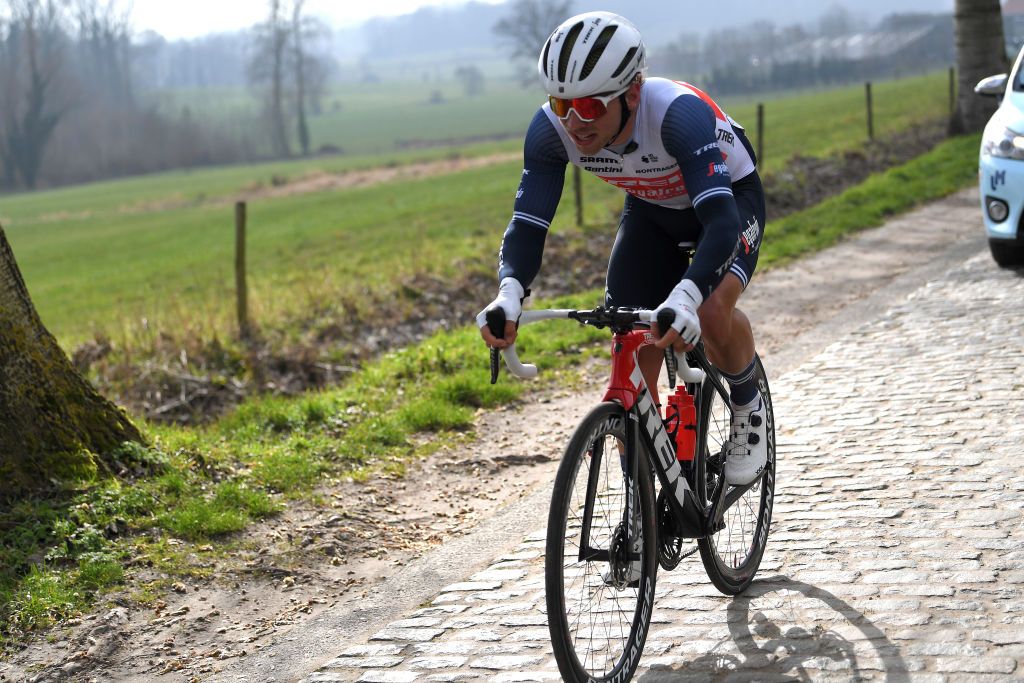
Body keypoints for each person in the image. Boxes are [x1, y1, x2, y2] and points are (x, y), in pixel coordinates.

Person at [476, 11, 767, 487]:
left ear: (632, 92)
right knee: (630, 337)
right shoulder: (550, 132)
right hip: (651, 209)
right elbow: (528, 224)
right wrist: (509, 294)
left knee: (713, 312)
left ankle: (746, 402)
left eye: (590, 107)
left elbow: (720, 221)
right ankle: (642, 504)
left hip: (727, 202)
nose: (574, 121)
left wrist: (687, 295)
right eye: (560, 103)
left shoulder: (676, 115)